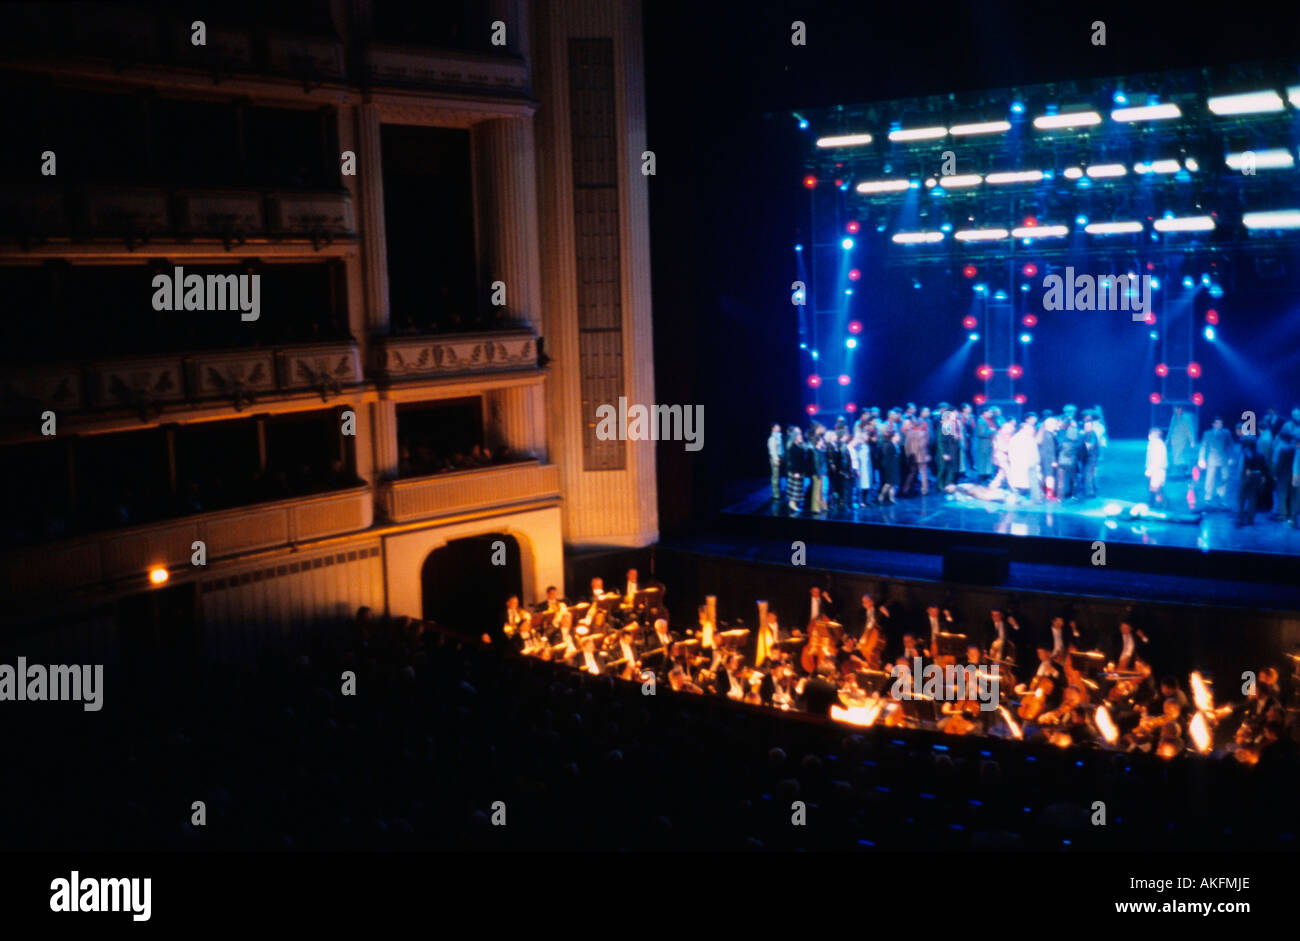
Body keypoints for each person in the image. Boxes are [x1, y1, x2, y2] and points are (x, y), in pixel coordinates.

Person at [1198, 416, 1232, 510]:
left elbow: (1230, 445)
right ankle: (1208, 496)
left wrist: (1231, 457)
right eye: (1217, 423)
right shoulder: (1207, 433)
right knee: (1210, 478)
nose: (1220, 425)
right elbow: (1203, 447)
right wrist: (1201, 459)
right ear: (1213, 424)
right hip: (1212, 459)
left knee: (1226, 477)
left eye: (1221, 423)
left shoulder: (1226, 433)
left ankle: (1221, 494)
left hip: (1224, 458)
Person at [1236, 436, 1269, 526]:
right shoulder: (1261, 454)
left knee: (1241, 497)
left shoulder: (1244, 453)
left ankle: (1240, 517)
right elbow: (1265, 467)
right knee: (1253, 498)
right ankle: (1250, 519)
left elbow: (1241, 467)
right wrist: (1263, 477)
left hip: (1247, 476)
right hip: (1257, 476)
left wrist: (1240, 477)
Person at [1167, 405, 1197, 479]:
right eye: (1174, 409)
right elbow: (1171, 428)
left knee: (1181, 456)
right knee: (1176, 456)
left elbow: (1189, 429)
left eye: (1177, 409)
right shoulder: (1174, 417)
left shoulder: (1186, 417)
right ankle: (1179, 473)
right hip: (1175, 439)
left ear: (1181, 409)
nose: (1175, 410)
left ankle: (1183, 473)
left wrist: (1192, 440)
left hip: (1183, 439)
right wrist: (1168, 438)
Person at [877, 431, 903, 504]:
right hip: (890, 468)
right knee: (889, 483)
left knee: (892, 484)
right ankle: (881, 496)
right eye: (897, 436)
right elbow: (886, 458)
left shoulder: (896, 445)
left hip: (895, 466)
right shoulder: (889, 445)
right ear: (893, 437)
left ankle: (892, 498)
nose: (899, 438)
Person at [1145, 427, 1168, 506]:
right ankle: (1152, 504)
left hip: (1157, 471)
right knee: (1153, 489)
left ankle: (1163, 505)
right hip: (1155, 470)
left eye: (1150, 434)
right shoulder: (1153, 444)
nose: (1148, 436)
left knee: (1156, 489)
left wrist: (1151, 470)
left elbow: (1157, 460)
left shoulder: (1158, 445)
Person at [767, 423, 784, 501]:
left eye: (779, 426)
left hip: (780, 457)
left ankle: (778, 491)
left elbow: (781, 448)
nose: (779, 428)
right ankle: (775, 494)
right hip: (775, 458)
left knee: (778, 476)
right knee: (775, 476)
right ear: (773, 428)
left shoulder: (778, 437)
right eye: (777, 427)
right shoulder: (772, 438)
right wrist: (776, 459)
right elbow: (772, 451)